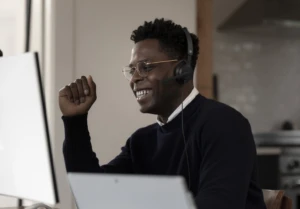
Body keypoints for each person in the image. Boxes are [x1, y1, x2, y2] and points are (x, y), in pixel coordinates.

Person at [59, 18, 266, 209]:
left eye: (146, 67)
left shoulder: (225, 125)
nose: (135, 79)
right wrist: (75, 121)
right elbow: (93, 195)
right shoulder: (140, 141)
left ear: (181, 71)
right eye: (132, 70)